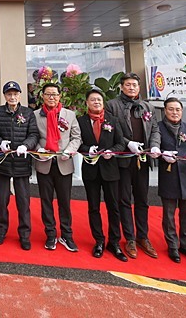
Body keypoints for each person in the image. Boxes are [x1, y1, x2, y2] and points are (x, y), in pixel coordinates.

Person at [106, 72, 159, 259]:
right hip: (123, 160)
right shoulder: (112, 105)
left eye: (134, 85)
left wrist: (155, 145)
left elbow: (155, 129)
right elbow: (111, 130)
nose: (131, 88)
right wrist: (127, 143)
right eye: (127, 85)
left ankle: (143, 236)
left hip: (142, 160)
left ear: (139, 87)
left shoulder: (147, 106)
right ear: (121, 87)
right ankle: (129, 237)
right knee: (124, 200)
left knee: (142, 199)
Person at [149, 98, 186, 264]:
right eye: (171, 109)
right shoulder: (158, 127)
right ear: (165, 110)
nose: (174, 112)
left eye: (177, 109)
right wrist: (161, 153)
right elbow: (154, 144)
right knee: (169, 214)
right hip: (169, 176)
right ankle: (172, 245)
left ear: (182, 111)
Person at [77, 87, 128, 260]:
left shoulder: (112, 120)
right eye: (92, 99)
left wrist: (112, 151)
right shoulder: (81, 121)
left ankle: (114, 242)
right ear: (87, 103)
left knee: (113, 206)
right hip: (91, 169)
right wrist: (87, 149)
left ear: (103, 102)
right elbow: (77, 143)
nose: (96, 102)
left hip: (110, 169)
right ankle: (99, 240)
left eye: (99, 99)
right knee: (93, 207)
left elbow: (121, 143)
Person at [0, 81, 39, 250]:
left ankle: (24, 234)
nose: (12, 97)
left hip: (21, 163)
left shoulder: (28, 113)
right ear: (4, 96)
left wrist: (26, 145)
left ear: (19, 95)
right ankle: (1, 231)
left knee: (23, 201)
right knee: (1, 200)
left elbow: (34, 134)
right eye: (9, 94)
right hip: (3, 163)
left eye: (15, 94)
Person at [34, 82, 82, 252]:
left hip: (64, 163)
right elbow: (32, 136)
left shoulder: (69, 115)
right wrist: (38, 149)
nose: (51, 97)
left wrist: (69, 151)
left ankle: (67, 235)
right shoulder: (35, 115)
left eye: (54, 94)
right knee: (46, 201)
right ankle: (50, 234)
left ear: (60, 96)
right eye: (48, 94)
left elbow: (76, 137)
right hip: (44, 164)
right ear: (43, 96)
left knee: (64, 202)